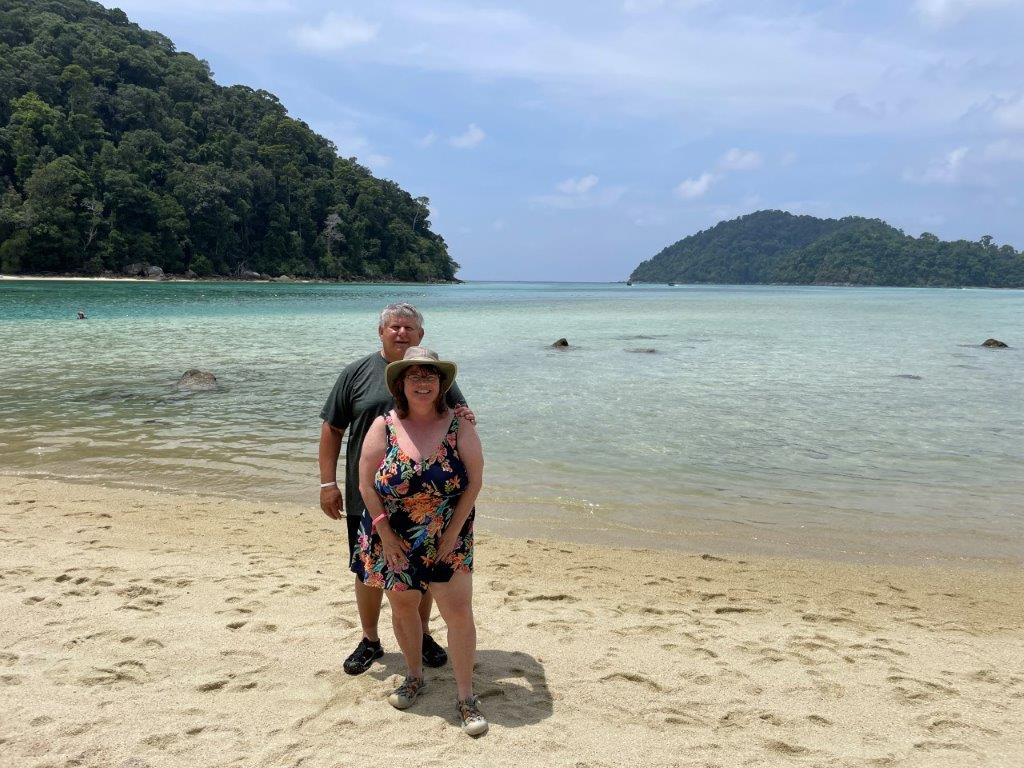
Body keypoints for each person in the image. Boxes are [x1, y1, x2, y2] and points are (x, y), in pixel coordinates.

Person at [318, 303, 474, 675]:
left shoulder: (433, 376)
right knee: (367, 569)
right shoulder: (356, 373)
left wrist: (468, 419)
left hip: (424, 503)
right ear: (381, 333)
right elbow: (332, 428)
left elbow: (461, 417)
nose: (401, 333)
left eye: (409, 328)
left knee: (418, 570)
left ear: (421, 335)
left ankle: (419, 634)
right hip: (368, 495)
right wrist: (328, 483)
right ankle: (370, 639)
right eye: (394, 327)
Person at [355, 347, 487, 736]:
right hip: (392, 537)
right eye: (414, 376)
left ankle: (466, 697)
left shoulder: (459, 426)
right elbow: (365, 483)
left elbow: (475, 483)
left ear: (442, 383)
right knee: (404, 608)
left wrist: (452, 532)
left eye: (430, 375)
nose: (423, 382)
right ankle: (413, 676)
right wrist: (383, 532)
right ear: (400, 383)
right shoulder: (384, 426)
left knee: (458, 613)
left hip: (450, 534)